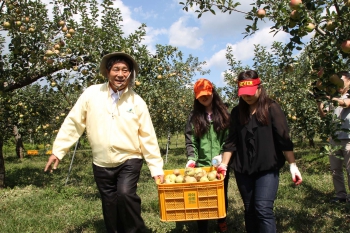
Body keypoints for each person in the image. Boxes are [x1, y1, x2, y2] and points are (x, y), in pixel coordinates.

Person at [44, 52, 164, 233]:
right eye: (116, 69)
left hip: (129, 158)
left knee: (125, 195)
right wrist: (58, 150)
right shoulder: (92, 94)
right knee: (109, 202)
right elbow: (74, 122)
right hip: (101, 161)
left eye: (125, 70)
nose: (120, 74)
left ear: (130, 74)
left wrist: (156, 168)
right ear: (108, 72)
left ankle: (137, 230)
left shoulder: (137, 102)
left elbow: (148, 136)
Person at [217, 70, 302, 233]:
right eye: (243, 94)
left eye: (250, 93)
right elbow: (231, 142)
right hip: (243, 169)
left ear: (260, 88)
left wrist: (293, 165)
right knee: (249, 210)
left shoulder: (271, 108)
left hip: (267, 168)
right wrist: (224, 165)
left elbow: (284, 138)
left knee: (263, 209)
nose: (247, 96)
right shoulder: (237, 112)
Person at [185, 78, 231, 233]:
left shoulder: (224, 113)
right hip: (201, 165)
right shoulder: (194, 116)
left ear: (212, 92)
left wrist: (222, 156)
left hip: (220, 163)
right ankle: (202, 227)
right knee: (201, 199)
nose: (204, 97)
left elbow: (228, 138)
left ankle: (222, 222)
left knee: (220, 195)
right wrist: (192, 158)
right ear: (196, 97)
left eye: (206, 93)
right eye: (200, 95)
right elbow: (191, 140)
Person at [316, 71, 350, 203]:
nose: (337, 85)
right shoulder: (335, 97)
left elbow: (346, 103)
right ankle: (341, 195)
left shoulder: (345, 95)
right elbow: (324, 114)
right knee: (336, 170)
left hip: (348, 138)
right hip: (335, 138)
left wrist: (328, 97)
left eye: (340, 81)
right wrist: (319, 101)